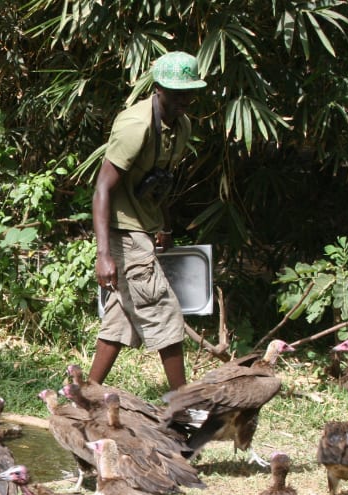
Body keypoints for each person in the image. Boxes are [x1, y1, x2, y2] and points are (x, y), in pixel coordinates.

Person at [88, 51, 206, 391]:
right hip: (123, 230)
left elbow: (160, 181)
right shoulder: (135, 125)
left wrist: (164, 225)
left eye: (190, 92)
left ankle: (86, 398)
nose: (185, 100)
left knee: (121, 318)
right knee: (164, 311)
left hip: (144, 225)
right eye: (177, 92)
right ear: (159, 89)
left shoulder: (180, 126)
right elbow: (101, 189)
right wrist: (103, 253)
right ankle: (183, 406)